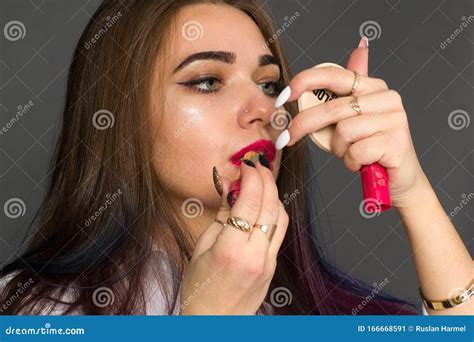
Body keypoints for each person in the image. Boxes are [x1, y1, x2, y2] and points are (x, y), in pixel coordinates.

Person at [1, 0, 472, 315]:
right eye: (207, 81)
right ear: (121, 116)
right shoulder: (33, 309)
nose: (264, 111)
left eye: (269, 85)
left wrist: (413, 191)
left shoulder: (336, 310)